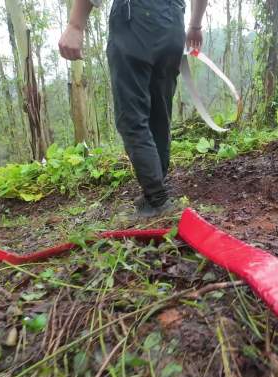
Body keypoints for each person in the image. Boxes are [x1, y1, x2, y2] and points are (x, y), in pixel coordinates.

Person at [59, 0, 207, 218]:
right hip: (174, 23)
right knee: (159, 114)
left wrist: (75, 25)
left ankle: (157, 199)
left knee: (133, 118)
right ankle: (154, 191)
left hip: (135, 21)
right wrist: (195, 26)